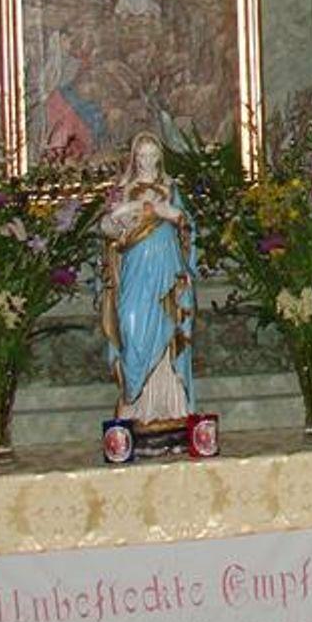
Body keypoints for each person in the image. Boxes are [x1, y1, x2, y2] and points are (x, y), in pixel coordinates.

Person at [101, 132, 197, 425]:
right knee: (130, 325)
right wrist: (119, 221)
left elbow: (185, 222)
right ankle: (132, 398)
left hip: (166, 264)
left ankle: (166, 406)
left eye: (152, 155)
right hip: (135, 264)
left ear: (159, 157)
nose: (146, 161)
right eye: (141, 155)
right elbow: (108, 227)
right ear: (134, 157)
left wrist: (151, 209)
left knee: (166, 325)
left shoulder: (170, 187)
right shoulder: (122, 189)